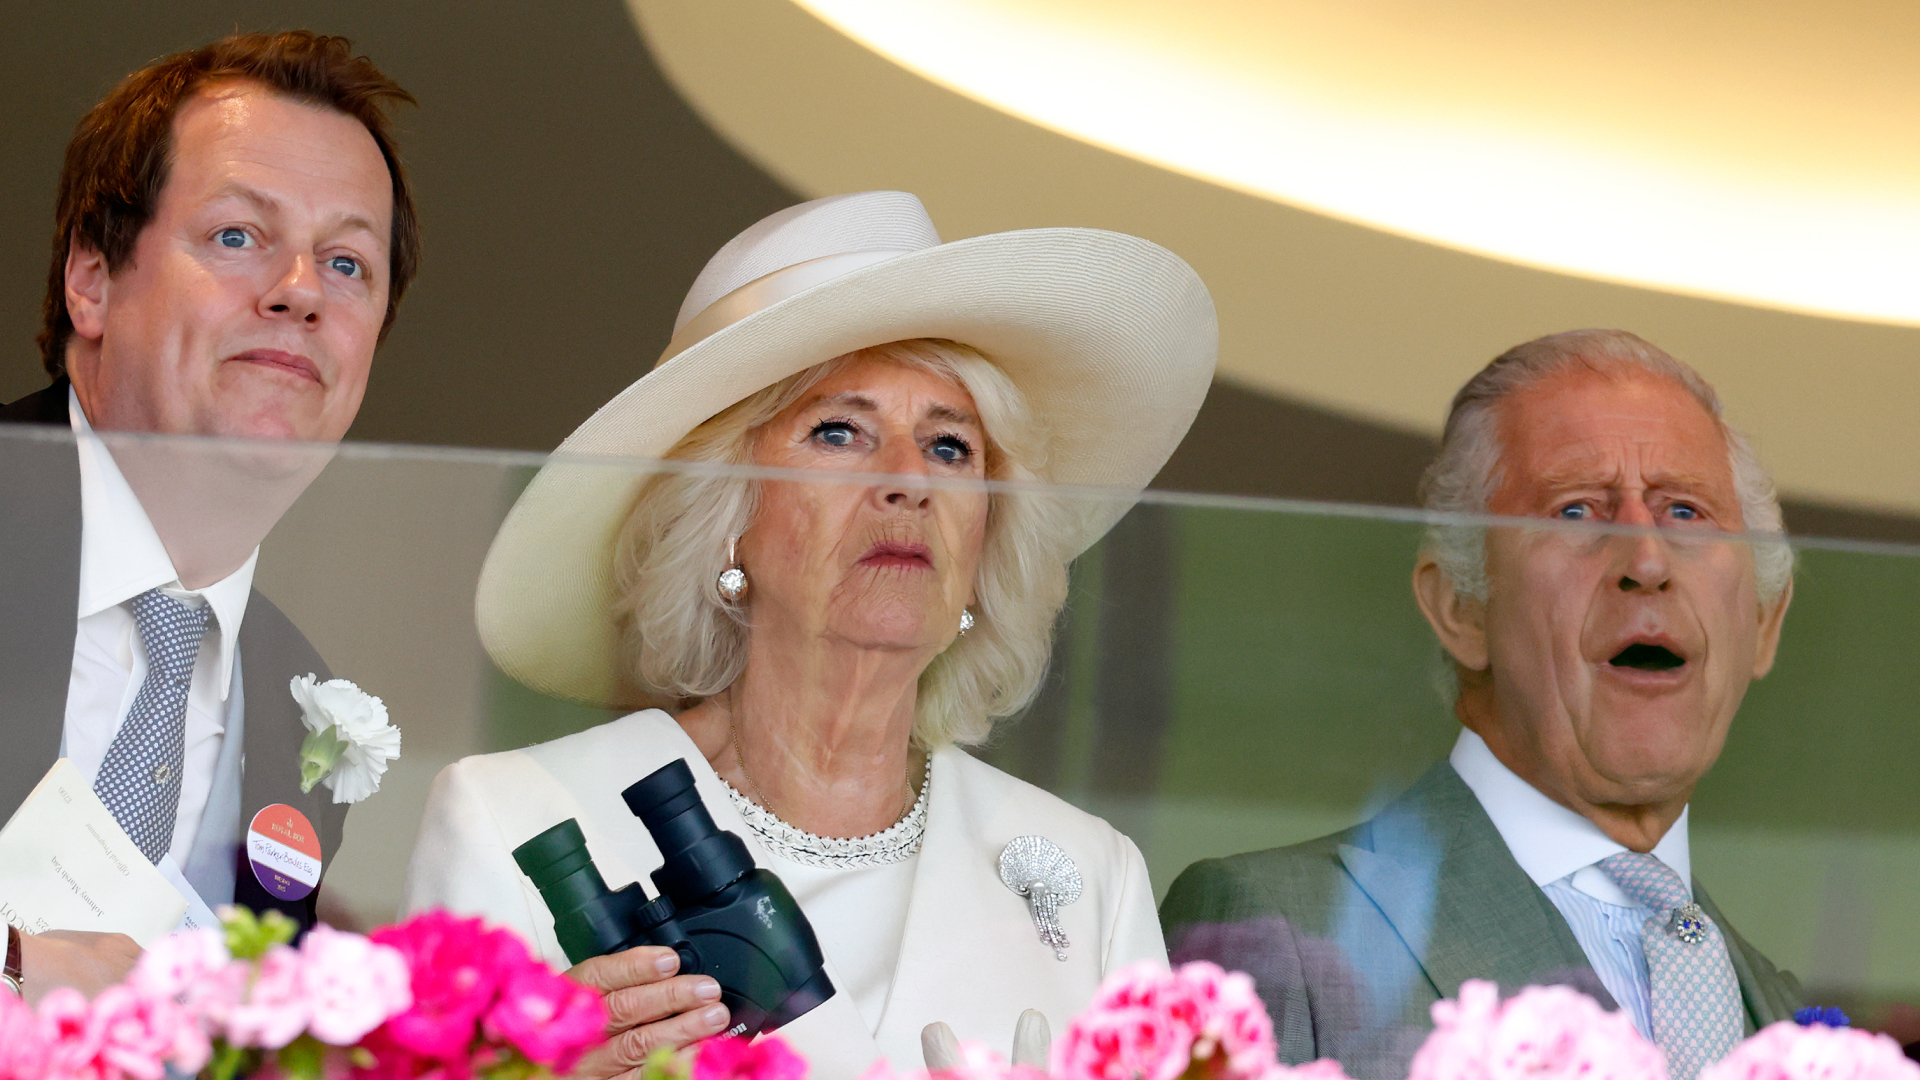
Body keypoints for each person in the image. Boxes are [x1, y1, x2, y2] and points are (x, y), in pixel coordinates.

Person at [401, 191, 1215, 1077]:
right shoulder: (512, 818)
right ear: (726, 516)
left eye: (950, 448)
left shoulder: (1093, 875)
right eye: (840, 432)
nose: (910, 483)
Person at [1160, 330, 1801, 1080]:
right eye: (1576, 512)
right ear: (1461, 606)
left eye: (1685, 512)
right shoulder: (1282, 932)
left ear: (1764, 621)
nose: (1647, 560)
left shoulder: (1788, 1014)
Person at [0, 32, 419, 1003]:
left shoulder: (298, 700)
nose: (301, 291)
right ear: (93, 280)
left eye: (349, 264)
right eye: (237, 236)